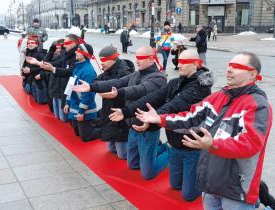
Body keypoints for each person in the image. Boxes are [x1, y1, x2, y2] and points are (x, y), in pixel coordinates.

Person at [136, 51, 273, 210]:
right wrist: (160, 119)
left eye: (236, 67)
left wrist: (213, 144)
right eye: (229, 65)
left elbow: (250, 145)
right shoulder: (219, 96)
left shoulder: (258, 105)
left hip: (236, 188)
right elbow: (191, 117)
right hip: (210, 181)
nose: (229, 69)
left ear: (252, 74)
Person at [109, 49, 213, 200]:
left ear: (196, 64)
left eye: (184, 62)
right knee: (175, 185)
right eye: (178, 61)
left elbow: (175, 104)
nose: (179, 65)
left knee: (188, 195)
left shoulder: (200, 87)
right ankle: (174, 156)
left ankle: (208, 180)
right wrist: (126, 112)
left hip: (192, 145)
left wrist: (155, 117)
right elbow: (154, 97)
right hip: (175, 142)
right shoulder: (175, 82)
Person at [73, 46, 167, 179]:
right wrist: (91, 87)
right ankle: (153, 150)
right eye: (136, 58)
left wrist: (118, 93)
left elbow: (139, 90)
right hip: (132, 124)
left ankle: (167, 152)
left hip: (148, 127)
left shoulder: (158, 78)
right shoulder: (136, 73)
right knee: (133, 164)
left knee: (147, 174)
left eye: (140, 58)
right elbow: (118, 82)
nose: (136, 61)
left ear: (151, 58)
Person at [91, 45, 134, 159]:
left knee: (122, 155)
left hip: (120, 112)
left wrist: (103, 89)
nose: (101, 63)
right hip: (108, 110)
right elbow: (95, 81)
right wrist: (100, 89)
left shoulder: (125, 72)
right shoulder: (108, 70)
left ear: (113, 59)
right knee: (111, 149)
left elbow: (119, 87)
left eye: (104, 60)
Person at [64, 43, 98, 141]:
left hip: (85, 111)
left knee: (86, 137)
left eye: (78, 50)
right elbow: (71, 86)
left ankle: (103, 130)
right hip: (74, 108)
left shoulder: (88, 71)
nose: (75, 52)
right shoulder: (77, 67)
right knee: (77, 134)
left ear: (84, 54)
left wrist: (81, 112)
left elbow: (89, 94)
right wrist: (67, 102)